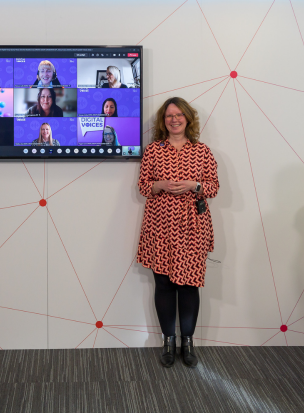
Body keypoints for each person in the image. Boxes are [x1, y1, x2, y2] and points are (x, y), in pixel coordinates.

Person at [137, 97, 219, 368]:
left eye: (179, 115)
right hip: (159, 227)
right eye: (169, 115)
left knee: (188, 285)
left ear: (188, 118)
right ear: (163, 121)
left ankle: (188, 342)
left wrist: (194, 185)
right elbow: (143, 186)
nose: (174, 119)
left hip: (192, 228)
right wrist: (158, 184)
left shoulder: (202, 151)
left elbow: (214, 187)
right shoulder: (153, 151)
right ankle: (168, 341)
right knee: (163, 285)